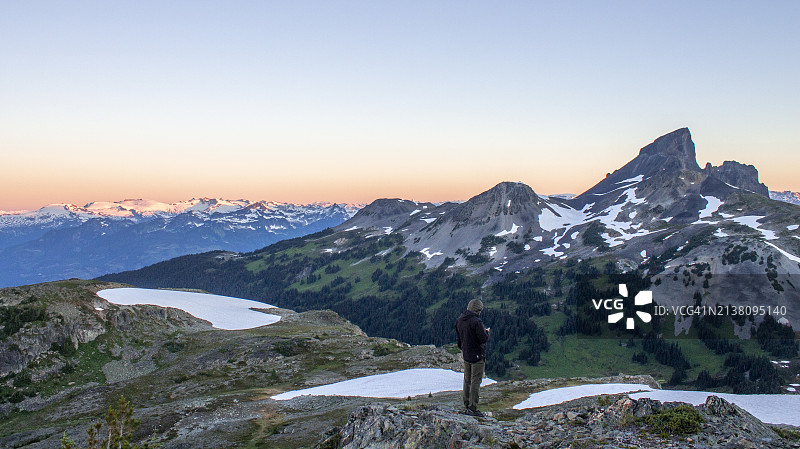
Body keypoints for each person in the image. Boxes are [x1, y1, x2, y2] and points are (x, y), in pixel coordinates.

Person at [455, 298, 490, 417]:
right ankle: (473, 407)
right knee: (476, 381)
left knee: (467, 379)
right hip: (477, 356)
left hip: (466, 354)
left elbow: (459, 340)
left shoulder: (460, 320)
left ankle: (466, 404)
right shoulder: (476, 322)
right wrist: (486, 332)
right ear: (478, 310)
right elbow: (483, 339)